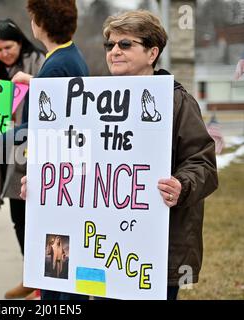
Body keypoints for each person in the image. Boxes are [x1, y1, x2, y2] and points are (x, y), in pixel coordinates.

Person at [21, 9, 218, 300]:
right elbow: (70, 160)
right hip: (100, 249)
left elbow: (203, 163)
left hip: (155, 250)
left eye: (125, 44)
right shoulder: (89, 100)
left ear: (152, 53)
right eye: (110, 45)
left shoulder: (177, 101)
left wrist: (181, 185)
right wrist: (42, 183)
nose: (114, 51)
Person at [0, 0, 90, 301]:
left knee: (56, 249)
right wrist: (36, 84)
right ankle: (44, 288)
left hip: (53, 170)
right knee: (53, 246)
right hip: (56, 169)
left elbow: (45, 129)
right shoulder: (66, 56)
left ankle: (52, 297)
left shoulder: (56, 63)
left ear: (39, 23)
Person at [0, 18, 45, 299]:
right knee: (18, 217)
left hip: (33, 148)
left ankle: (44, 281)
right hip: (7, 149)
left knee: (38, 218)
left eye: (9, 47)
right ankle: (31, 275)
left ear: (20, 42)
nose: (4, 53)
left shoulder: (39, 63)